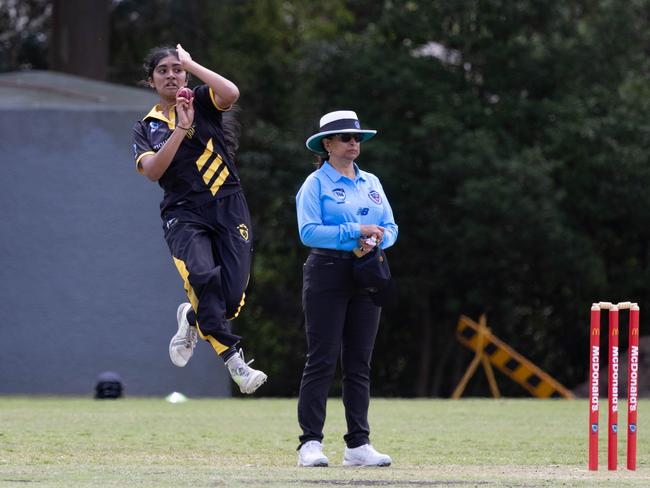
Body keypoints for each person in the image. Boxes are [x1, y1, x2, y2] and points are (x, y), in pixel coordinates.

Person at [131, 44, 267, 394]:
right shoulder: (147, 126)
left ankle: (192, 318)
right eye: (163, 70)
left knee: (232, 299)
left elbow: (232, 92)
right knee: (203, 276)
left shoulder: (203, 101)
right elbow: (153, 171)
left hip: (227, 203)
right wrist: (180, 129)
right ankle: (234, 360)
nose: (172, 75)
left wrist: (193, 62)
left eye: (178, 69)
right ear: (151, 81)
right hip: (183, 212)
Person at [294, 110, 398, 467]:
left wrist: (381, 237)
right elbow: (308, 232)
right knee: (321, 360)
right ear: (327, 144)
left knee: (359, 363)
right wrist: (356, 231)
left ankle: (358, 444)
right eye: (346, 138)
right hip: (326, 271)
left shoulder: (371, 182)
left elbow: (390, 225)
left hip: (366, 271)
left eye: (356, 138)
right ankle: (310, 442)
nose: (354, 143)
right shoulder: (315, 184)